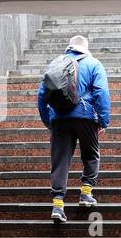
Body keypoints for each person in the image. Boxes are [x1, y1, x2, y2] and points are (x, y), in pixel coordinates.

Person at [37, 35, 111, 223]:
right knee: (91, 154)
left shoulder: (55, 63)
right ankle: (86, 194)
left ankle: (58, 205)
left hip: (59, 118)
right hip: (85, 117)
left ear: (69, 47)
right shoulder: (94, 63)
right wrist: (103, 120)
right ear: (85, 48)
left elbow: (41, 94)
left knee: (60, 160)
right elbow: (101, 92)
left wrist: (48, 120)